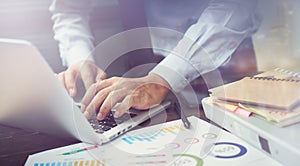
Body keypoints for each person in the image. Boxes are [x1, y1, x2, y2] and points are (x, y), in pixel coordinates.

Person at [49, 0, 261, 120]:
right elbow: (69, 8)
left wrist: (164, 77)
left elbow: (237, 7)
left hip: (226, 68)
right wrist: (79, 57)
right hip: (146, 69)